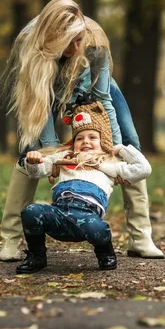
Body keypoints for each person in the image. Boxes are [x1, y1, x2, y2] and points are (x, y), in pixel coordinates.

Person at [0, 0, 164, 262]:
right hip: (42, 94)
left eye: (79, 40)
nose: (76, 47)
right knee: (30, 151)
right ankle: (11, 240)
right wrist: (51, 156)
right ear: (51, 38)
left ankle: (141, 238)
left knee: (131, 143)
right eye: (69, 42)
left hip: (93, 91)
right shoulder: (27, 44)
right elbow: (39, 108)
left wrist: (113, 149)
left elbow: (104, 99)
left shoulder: (94, 43)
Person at [17, 101, 152, 273]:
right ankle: (37, 256)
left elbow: (144, 169)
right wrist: (33, 161)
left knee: (97, 227)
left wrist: (121, 150)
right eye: (79, 138)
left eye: (92, 137)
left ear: (103, 140)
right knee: (30, 211)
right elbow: (38, 171)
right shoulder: (65, 157)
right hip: (59, 213)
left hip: (87, 216)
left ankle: (105, 252)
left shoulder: (110, 163)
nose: (85, 142)